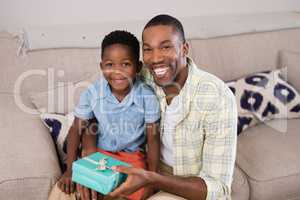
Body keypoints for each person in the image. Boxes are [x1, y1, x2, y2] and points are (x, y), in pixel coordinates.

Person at [108, 14, 237, 200]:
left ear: (184, 48)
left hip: (187, 186)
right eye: (148, 50)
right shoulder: (144, 77)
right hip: (144, 170)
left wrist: (151, 180)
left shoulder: (217, 97)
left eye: (165, 47)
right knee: (67, 192)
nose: (155, 58)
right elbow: (100, 103)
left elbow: (218, 189)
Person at [48, 30, 161, 200]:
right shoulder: (92, 93)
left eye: (125, 64)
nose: (117, 72)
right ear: (101, 67)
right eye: (110, 65)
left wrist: (152, 179)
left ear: (138, 67)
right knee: (86, 190)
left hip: (133, 156)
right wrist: (70, 170)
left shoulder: (147, 96)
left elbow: (153, 138)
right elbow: (76, 129)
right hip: (101, 154)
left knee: (136, 191)